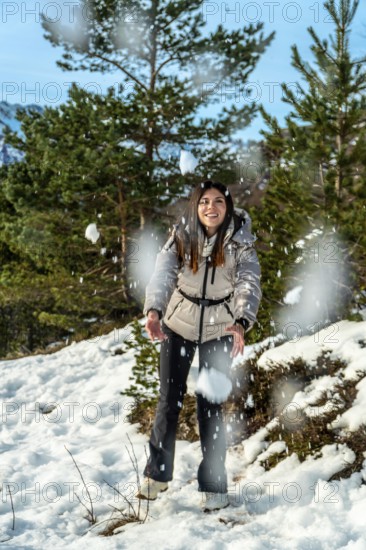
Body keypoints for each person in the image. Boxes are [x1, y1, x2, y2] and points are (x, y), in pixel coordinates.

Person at [137, 180, 262, 511]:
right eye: (204, 201)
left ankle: (214, 485)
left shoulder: (241, 243)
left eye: (218, 201)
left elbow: (248, 282)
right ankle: (157, 475)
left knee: (211, 406)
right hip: (178, 325)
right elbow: (163, 273)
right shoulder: (181, 235)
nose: (211, 207)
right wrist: (154, 310)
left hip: (220, 328)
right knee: (169, 401)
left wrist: (241, 321)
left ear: (227, 207)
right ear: (196, 206)